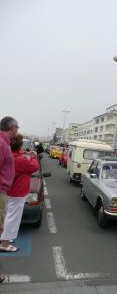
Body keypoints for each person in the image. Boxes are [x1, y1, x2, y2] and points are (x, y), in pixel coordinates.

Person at [0, 134, 39, 252]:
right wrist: (32, 156)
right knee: (12, 218)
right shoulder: (20, 159)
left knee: (7, 215)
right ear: (19, 146)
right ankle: (4, 244)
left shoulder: (9, 156)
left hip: (7, 191)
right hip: (17, 193)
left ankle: (4, 238)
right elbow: (34, 167)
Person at [0, 117, 18, 281]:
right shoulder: (1, 143)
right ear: (11, 128)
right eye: (17, 127)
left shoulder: (4, 143)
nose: (17, 130)